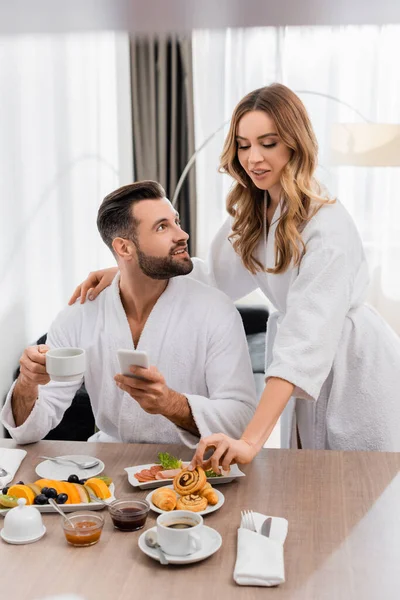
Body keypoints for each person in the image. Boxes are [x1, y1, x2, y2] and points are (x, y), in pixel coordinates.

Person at [67, 84, 400, 470]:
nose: (254, 158)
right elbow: (212, 277)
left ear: (295, 144)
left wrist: (249, 441)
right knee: (313, 480)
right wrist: (130, 271)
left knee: (361, 488)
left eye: (268, 143)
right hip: (306, 362)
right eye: (243, 145)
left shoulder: (327, 229)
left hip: (353, 367)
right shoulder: (255, 211)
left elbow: (302, 344)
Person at [1, 181, 257, 447]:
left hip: (194, 465)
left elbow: (241, 417)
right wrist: (27, 383)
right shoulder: (80, 315)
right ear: (124, 248)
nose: (182, 234)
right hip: (110, 466)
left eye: (176, 221)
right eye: (162, 227)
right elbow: (27, 431)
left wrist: (172, 404)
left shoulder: (215, 310)